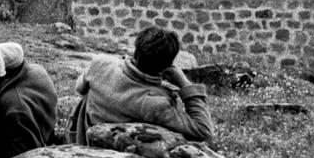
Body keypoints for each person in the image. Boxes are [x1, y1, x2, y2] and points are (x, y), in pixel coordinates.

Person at [69, 27, 215, 145]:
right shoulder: (156, 104)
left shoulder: (100, 64)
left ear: (136, 51)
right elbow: (204, 132)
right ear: (168, 66)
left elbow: (80, 89)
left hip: (82, 143)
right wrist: (185, 84)